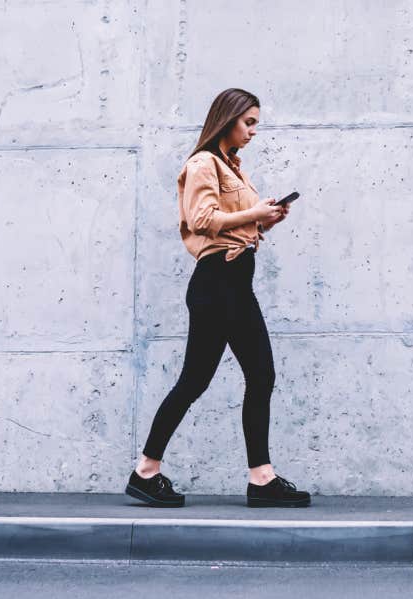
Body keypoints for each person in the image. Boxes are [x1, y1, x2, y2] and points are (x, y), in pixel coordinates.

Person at [125, 88, 311, 509]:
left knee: (258, 375)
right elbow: (202, 220)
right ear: (227, 119)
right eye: (249, 123)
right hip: (217, 283)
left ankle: (260, 478)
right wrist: (254, 214)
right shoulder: (202, 164)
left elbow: (238, 228)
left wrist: (268, 219)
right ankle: (146, 472)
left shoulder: (233, 169)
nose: (253, 132)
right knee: (198, 381)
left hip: (234, 281)